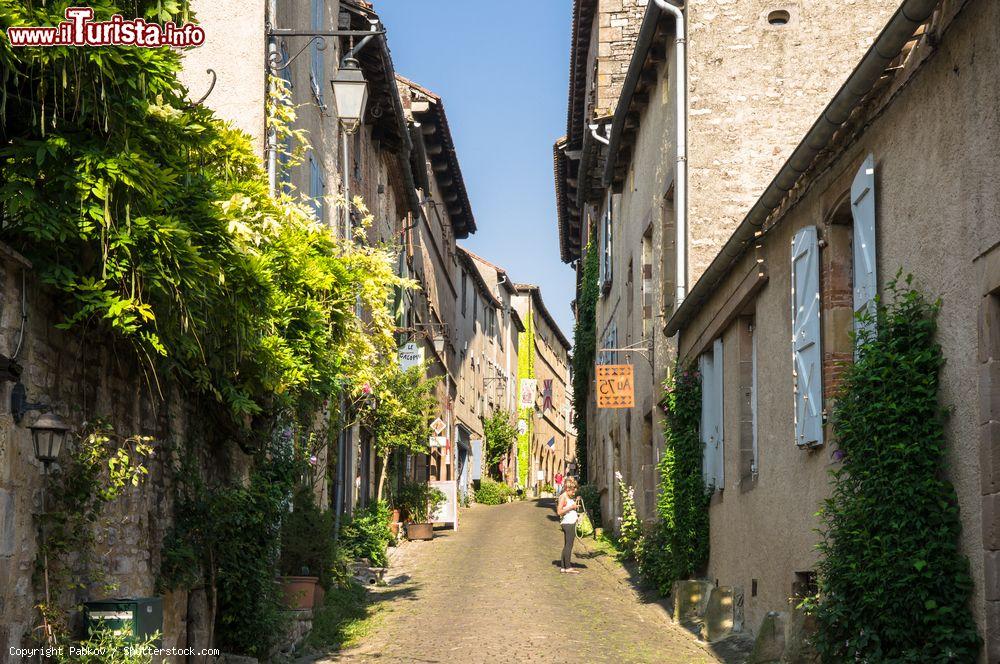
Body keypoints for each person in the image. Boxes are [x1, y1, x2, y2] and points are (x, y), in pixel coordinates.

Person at [556, 477, 581, 574]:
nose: (574, 493)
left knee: (567, 545)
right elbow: (559, 511)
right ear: (567, 489)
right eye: (573, 491)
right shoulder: (563, 497)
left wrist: (575, 502)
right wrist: (572, 507)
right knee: (569, 545)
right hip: (568, 523)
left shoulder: (567, 496)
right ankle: (568, 567)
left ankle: (563, 567)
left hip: (570, 522)